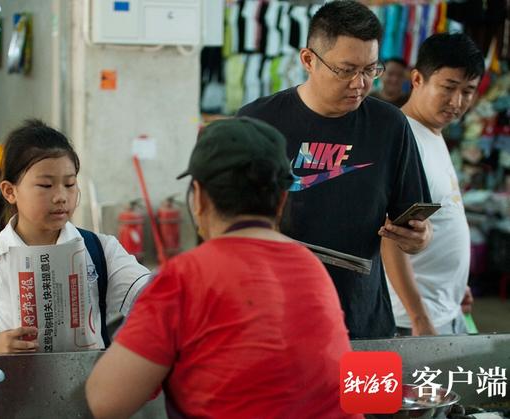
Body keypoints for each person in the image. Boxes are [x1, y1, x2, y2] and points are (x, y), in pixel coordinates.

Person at [86, 117, 359, 419]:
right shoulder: (312, 267)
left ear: (199, 198)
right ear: (281, 200)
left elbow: (105, 401)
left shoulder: (185, 276)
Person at [237, 0, 433, 339]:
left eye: (371, 69)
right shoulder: (256, 122)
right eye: (346, 70)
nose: (360, 83)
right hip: (273, 324)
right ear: (309, 60)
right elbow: (226, 222)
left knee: (369, 394)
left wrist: (418, 238)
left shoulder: (390, 126)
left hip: (363, 324)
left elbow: (412, 223)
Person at [0, 119, 150, 354]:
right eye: (45, 185)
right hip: (14, 387)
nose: (61, 196)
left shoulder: (101, 250)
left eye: (69, 184)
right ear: (10, 191)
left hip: (89, 387)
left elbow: (152, 297)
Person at [383, 33, 484, 336]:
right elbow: (391, 237)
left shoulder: (432, 133)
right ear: (417, 79)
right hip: (411, 322)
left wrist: (454, 287)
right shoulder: (404, 139)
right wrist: (419, 317)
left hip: (444, 308)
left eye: (468, 91)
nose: (458, 102)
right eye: (448, 87)